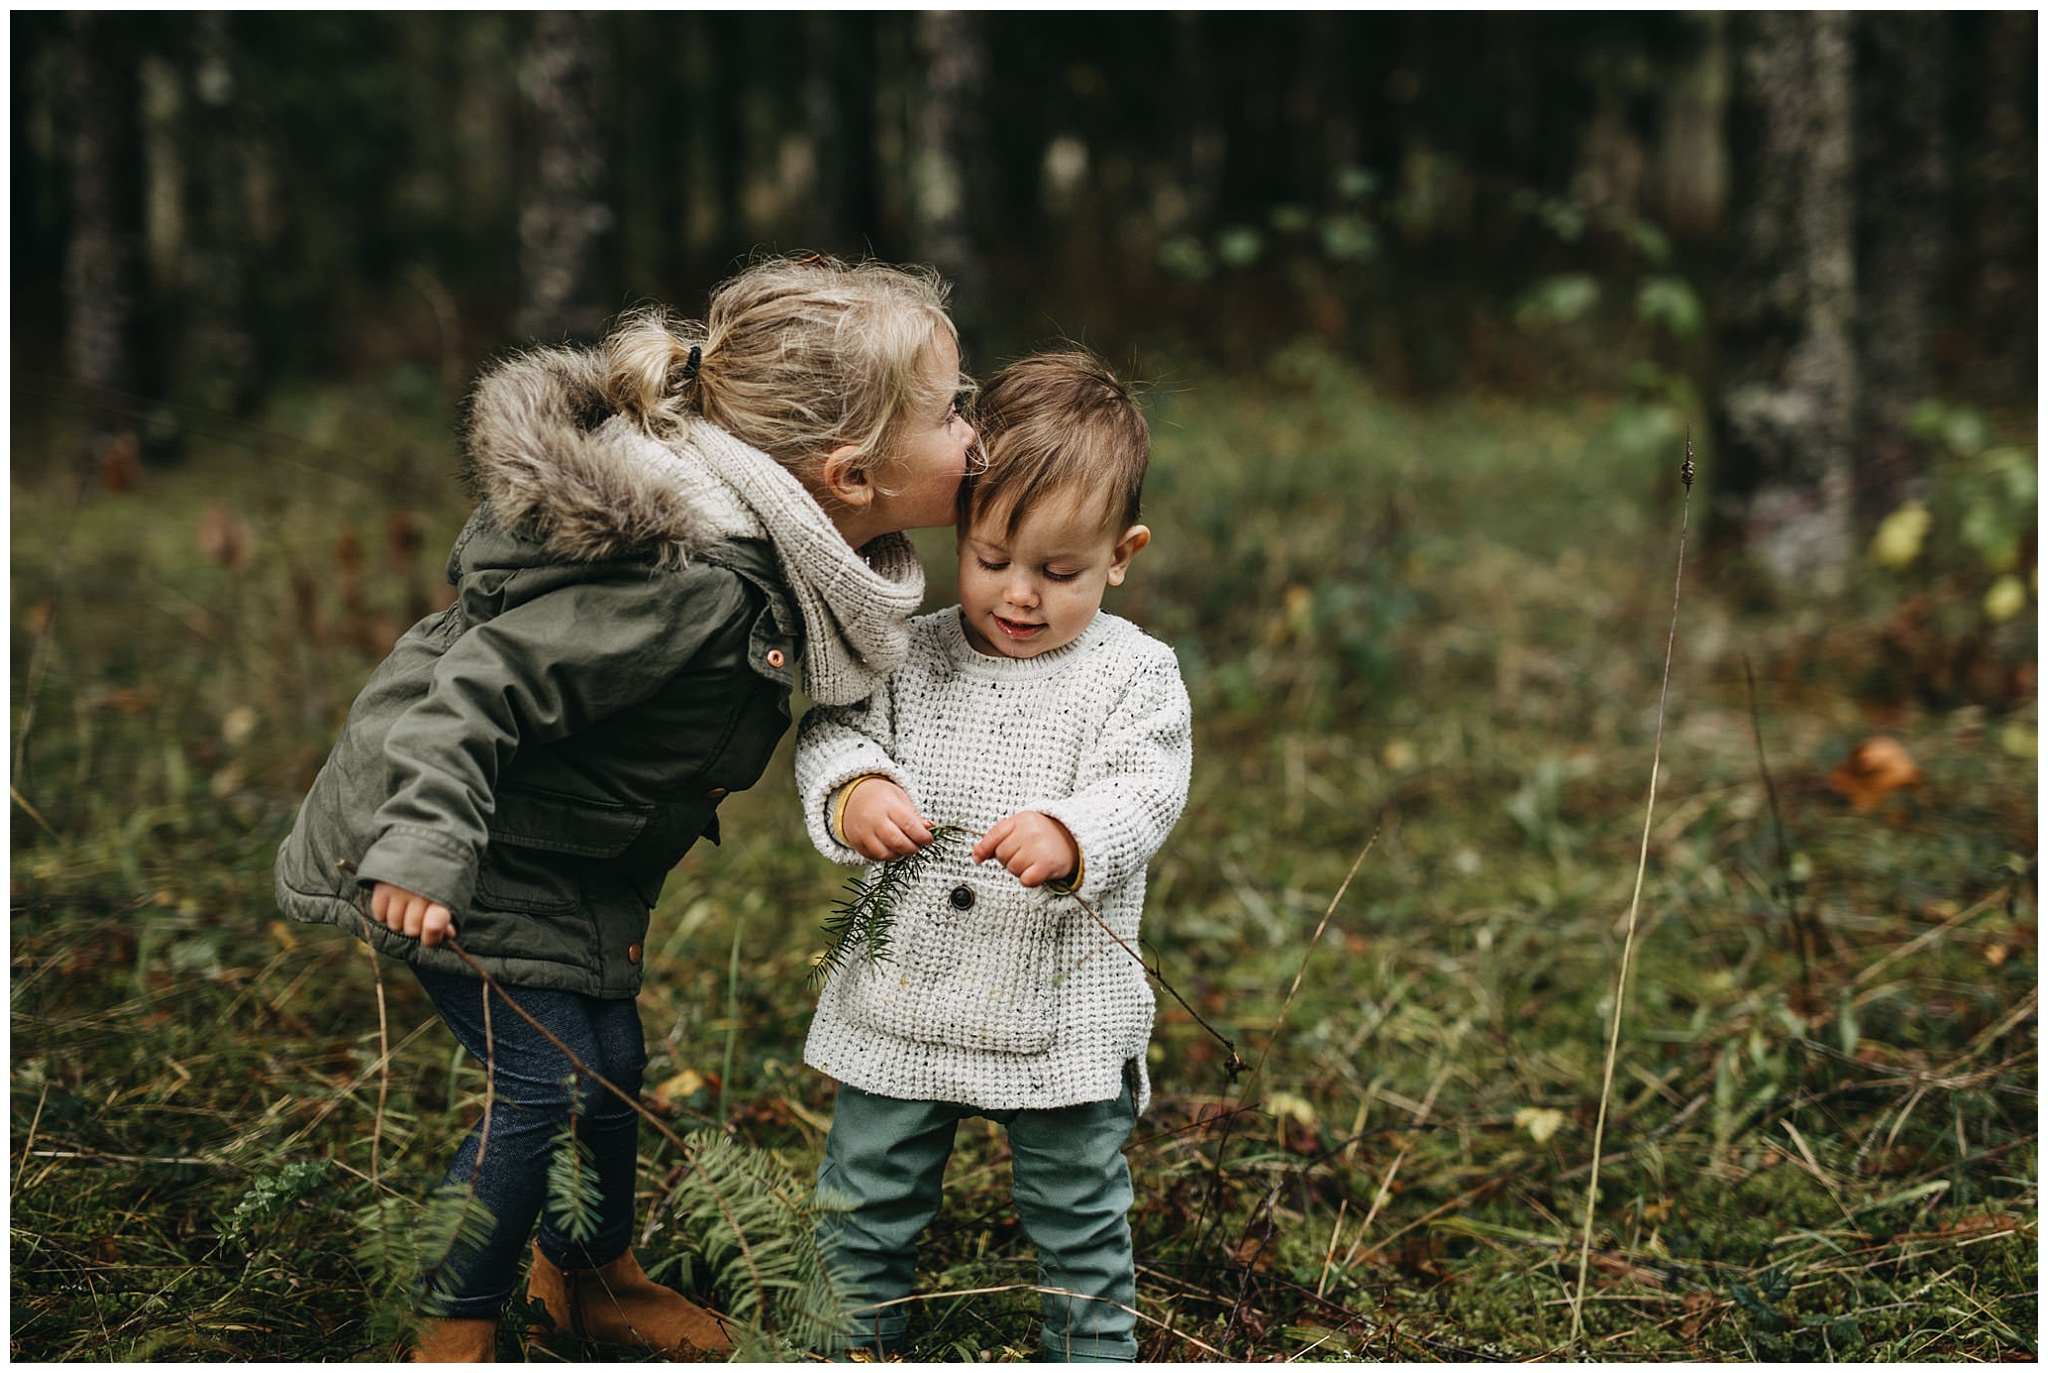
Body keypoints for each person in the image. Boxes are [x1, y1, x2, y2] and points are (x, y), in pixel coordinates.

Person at [272, 254, 978, 1362]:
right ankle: (448, 1330)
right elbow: (475, 691)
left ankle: (590, 1276)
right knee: (543, 1089)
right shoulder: (690, 584)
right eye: (952, 411)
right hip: (458, 844)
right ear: (847, 474)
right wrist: (423, 848)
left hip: (559, 860)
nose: (973, 435)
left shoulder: (777, 558)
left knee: (607, 1065)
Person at [793, 351, 1193, 1362]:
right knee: (863, 1197)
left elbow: (1144, 787)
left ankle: (1088, 1347)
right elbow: (836, 731)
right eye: (990, 557)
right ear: (956, 531)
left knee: (1078, 1213)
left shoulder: (1132, 673)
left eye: (1057, 571)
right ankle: (850, 1337)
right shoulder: (909, 649)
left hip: (1058, 1007)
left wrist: (1073, 833)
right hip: (902, 991)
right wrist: (855, 791)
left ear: (1119, 553)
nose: (1018, 593)